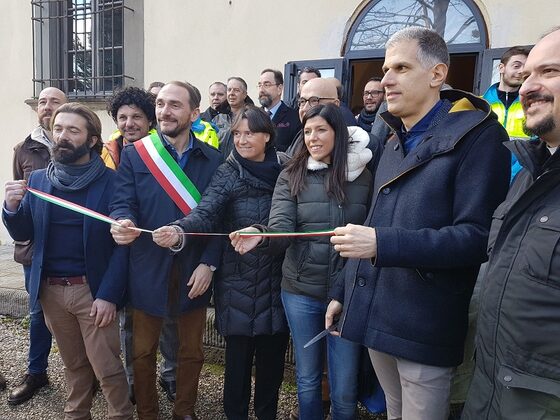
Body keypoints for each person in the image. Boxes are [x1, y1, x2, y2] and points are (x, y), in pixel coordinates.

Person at [326, 27, 511, 420]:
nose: (386, 79)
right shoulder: (394, 139)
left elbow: (477, 239)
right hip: (378, 309)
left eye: (401, 68)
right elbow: (375, 221)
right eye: (385, 68)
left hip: (425, 318)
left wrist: (381, 245)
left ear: (437, 74)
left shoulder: (479, 137)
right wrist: (343, 290)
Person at [231, 103, 372, 420]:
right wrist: (261, 235)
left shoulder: (364, 176)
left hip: (348, 293)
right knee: (307, 380)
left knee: (344, 387)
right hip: (300, 291)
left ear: (339, 132)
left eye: (321, 129)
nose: (313, 137)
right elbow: (280, 228)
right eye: (307, 131)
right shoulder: (290, 175)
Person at [153, 105, 289, 420]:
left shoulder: (287, 170)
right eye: (237, 134)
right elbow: (206, 212)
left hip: (276, 279)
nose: (241, 140)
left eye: (250, 133)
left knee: (271, 366)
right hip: (237, 281)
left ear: (267, 136)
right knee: (237, 368)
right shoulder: (228, 171)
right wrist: (178, 229)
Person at [3, 103, 133, 419]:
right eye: (58, 129)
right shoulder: (38, 181)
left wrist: (108, 295)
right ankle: (76, 413)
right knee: (73, 363)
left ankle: (121, 414)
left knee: (107, 366)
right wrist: (9, 207)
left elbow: (123, 246)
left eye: (73, 130)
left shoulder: (112, 182)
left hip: (93, 291)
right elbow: (25, 232)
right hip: (50, 291)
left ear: (91, 140)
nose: (62, 136)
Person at [462, 27, 560, 420]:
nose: (527, 87)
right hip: (491, 396)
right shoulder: (526, 176)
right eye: (526, 74)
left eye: (549, 72)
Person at [109, 81, 222, 420]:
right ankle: (147, 412)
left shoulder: (213, 159)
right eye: (160, 104)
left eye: (174, 105)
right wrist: (122, 220)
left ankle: (183, 411)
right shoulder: (136, 153)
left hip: (193, 268)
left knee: (192, 351)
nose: (164, 111)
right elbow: (122, 201)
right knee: (142, 352)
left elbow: (220, 217)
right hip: (147, 265)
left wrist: (209, 264)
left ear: (194, 113)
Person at [9, 86, 67, 405]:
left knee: (80, 313)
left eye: (54, 101)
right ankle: (37, 372)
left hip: (73, 246)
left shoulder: (80, 143)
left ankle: (86, 373)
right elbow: (19, 196)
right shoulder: (23, 148)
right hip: (36, 248)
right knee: (37, 312)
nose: (47, 106)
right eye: (42, 102)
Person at [482, 46, 531, 180]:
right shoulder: (481, 105)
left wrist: (514, 175)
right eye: (516, 66)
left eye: (525, 68)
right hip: (484, 177)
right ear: (501, 68)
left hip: (520, 179)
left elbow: (536, 144)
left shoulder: (532, 105)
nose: (521, 71)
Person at [102, 86, 157, 170]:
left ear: (150, 120)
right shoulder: (105, 154)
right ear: (116, 122)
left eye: (136, 117)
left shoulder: (163, 153)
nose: (129, 124)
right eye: (123, 118)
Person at [258, 69, 301, 152]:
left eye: (266, 85)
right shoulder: (253, 116)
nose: (261, 90)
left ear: (279, 89)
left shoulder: (294, 117)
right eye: (259, 85)